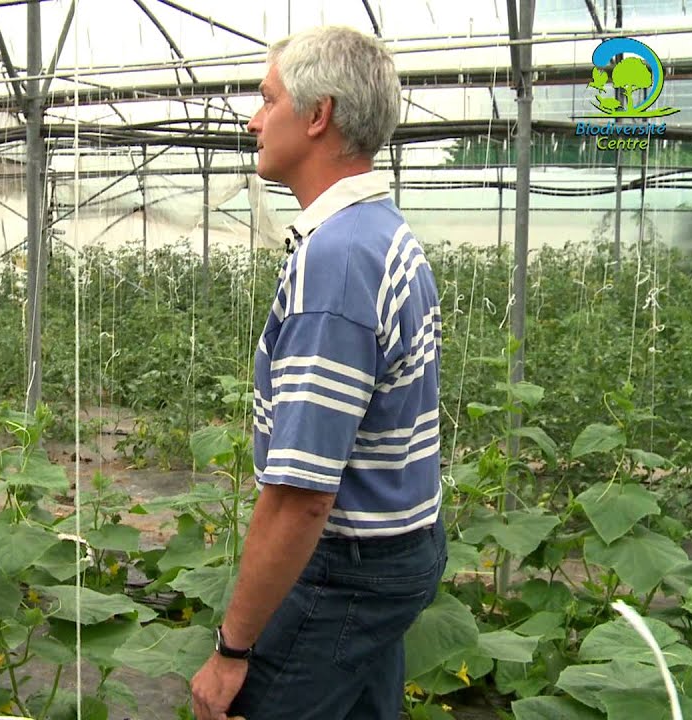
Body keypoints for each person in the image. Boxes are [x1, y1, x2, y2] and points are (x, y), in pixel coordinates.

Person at [190, 26, 446, 720]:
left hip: (344, 571)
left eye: (267, 99)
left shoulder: (336, 261)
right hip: (398, 549)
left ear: (317, 114)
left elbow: (303, 493)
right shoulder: (382, 233)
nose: (253, 118)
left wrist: (232, 651)